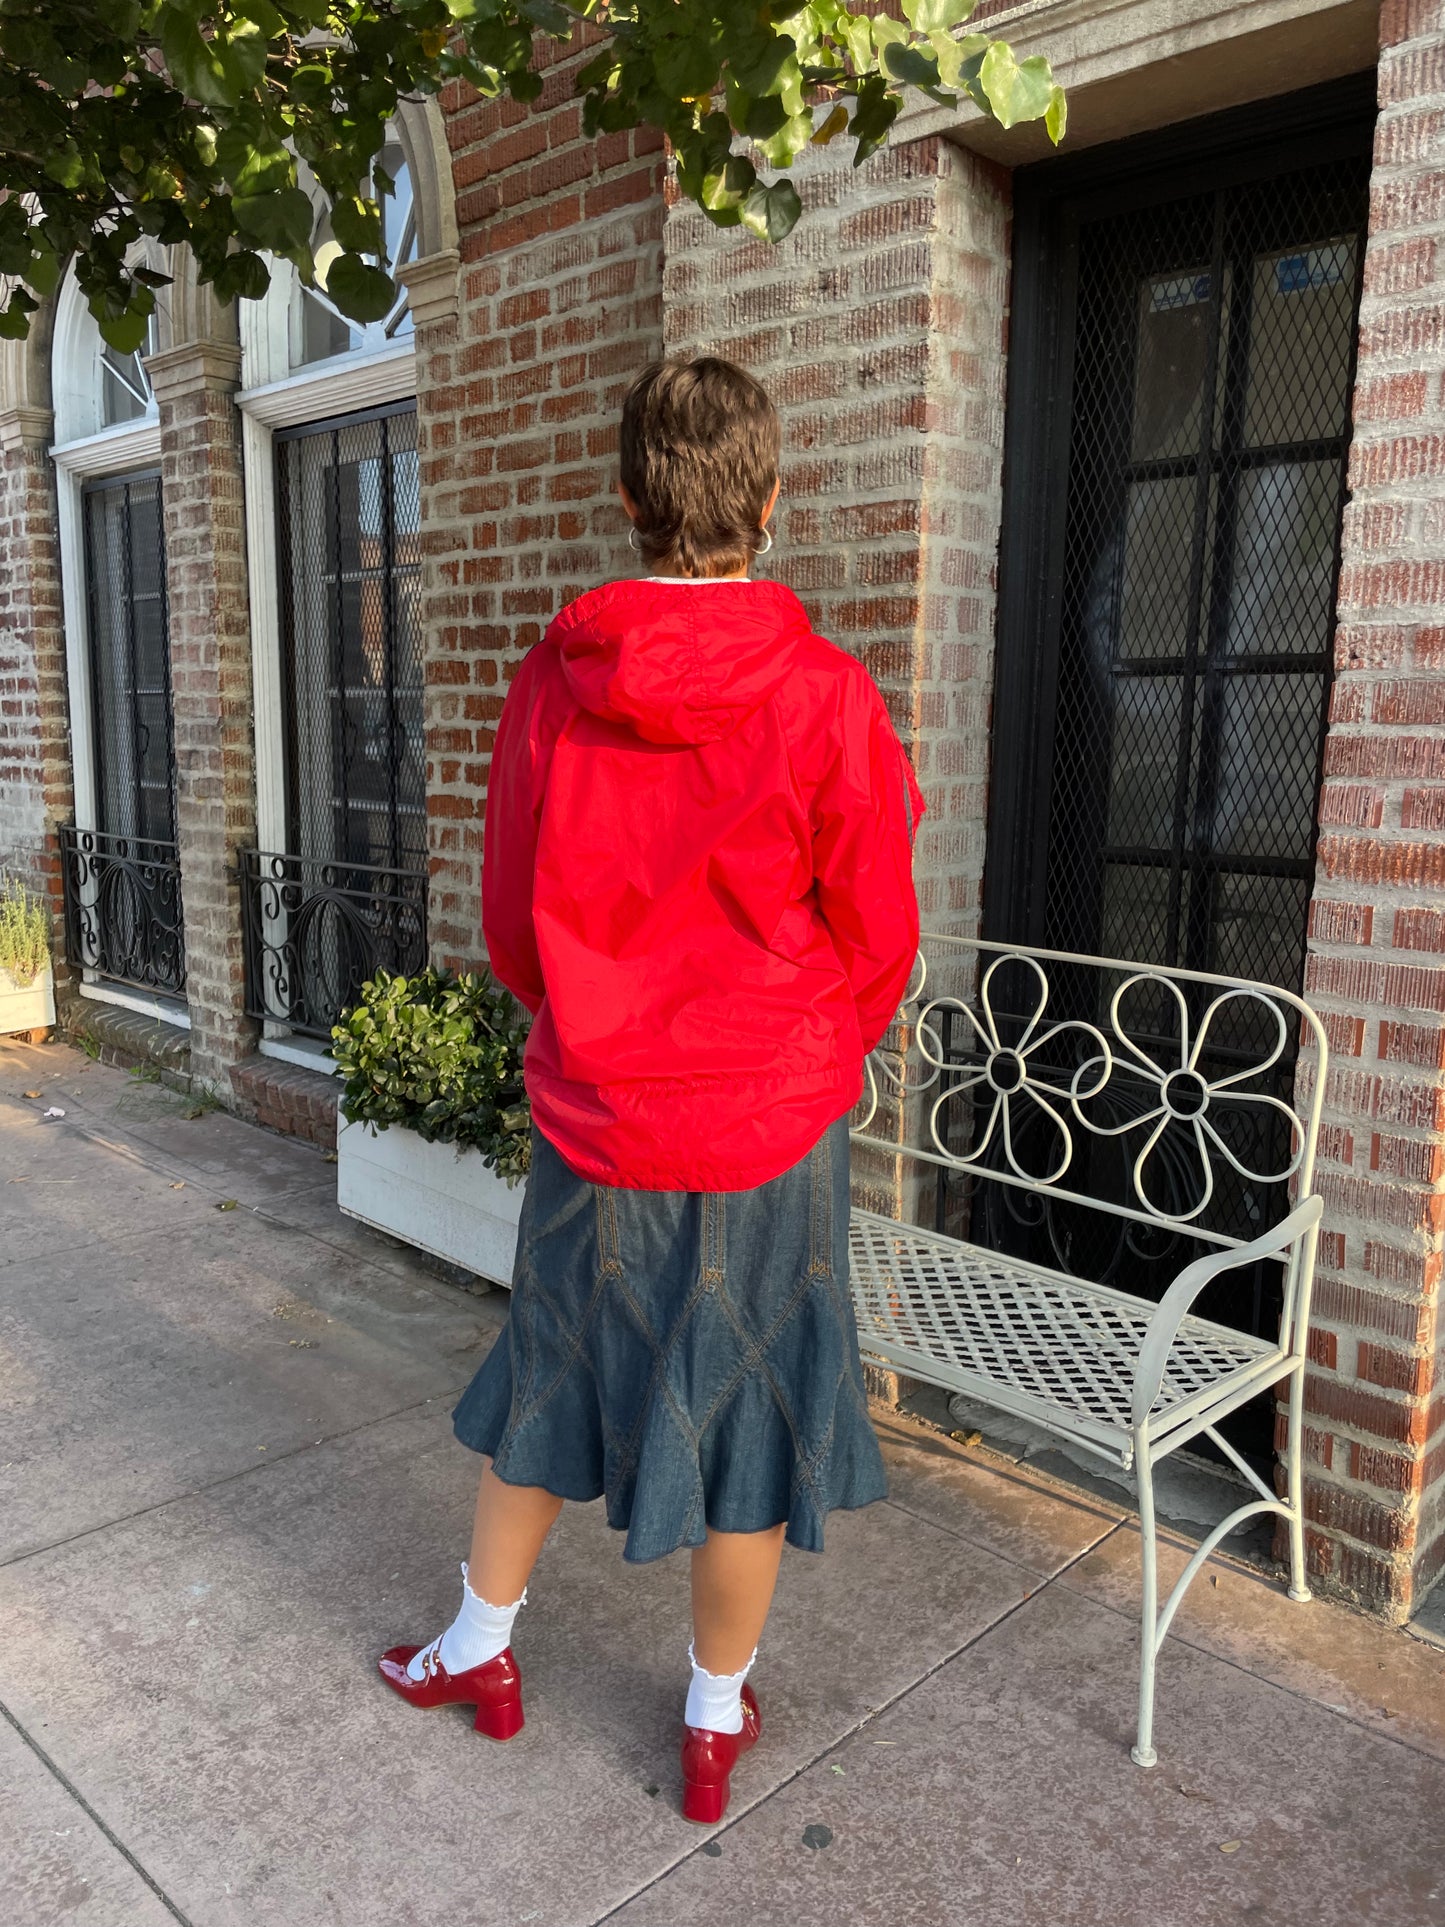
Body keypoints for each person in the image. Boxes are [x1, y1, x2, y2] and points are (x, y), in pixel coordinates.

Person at [378, 354, 924, 1824]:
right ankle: (707, 1717)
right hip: (767, 1122)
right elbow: (879, 929)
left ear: (627, 499)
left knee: (549, 1371)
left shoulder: (557, 690)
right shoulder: (824, 697)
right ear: (769, 499)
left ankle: (479, 1651)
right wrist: (808, 1050)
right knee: (742, 1412)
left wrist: (600, 1019)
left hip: (601, 1109)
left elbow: (509, 921)